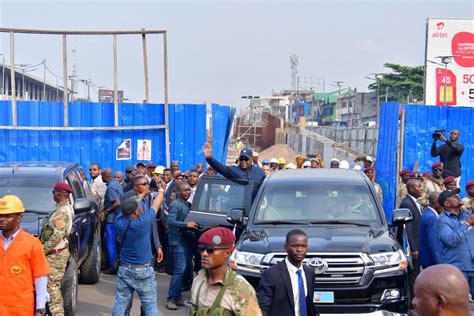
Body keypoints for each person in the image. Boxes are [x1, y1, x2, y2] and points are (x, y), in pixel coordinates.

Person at [112, 186, 165, 315]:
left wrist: (141, 195)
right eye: (138, 208)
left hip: (125, 269)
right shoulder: (143, 222)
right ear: (136, 212)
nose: (140, 209)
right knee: (150, 304)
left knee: (121, 302)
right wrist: (161, 191)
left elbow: (126, 207)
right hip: (143, 270)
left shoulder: (119, 221)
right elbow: (157, 203)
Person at [189, 227, 262, 315]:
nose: (204, 254)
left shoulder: (240, 288)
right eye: (201, 249)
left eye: (210, 250)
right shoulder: (198, 280)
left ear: (229, 252)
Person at [0, 195, 51, 315]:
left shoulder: (32, 244)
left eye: (7, 216)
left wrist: (40, 308)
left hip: (21, 309)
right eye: (0, 215)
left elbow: (40, 278)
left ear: (19, 217)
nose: (2, 219)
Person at [258, 229, 318, 316]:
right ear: (285, 247)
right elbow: (263, 307)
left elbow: (308, 304)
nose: (299, 249)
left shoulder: (309, 273)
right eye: (295, 246)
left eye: (303, 246)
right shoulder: (271, 274)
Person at [39, 183, 74, 315]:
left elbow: (57, 235)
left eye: (54, 192)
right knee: (51, 287)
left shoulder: (62, 211)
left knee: (52, 288)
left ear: (59, 193)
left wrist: (42, 250)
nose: (53, 195)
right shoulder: (64, 208)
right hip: (57, 252)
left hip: (55, 255)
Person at [166, 182, 200, 310]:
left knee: (185, 269)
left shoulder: (187, 204)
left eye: (189, 190)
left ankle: (178, 297)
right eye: (185, 190)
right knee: (180, 269)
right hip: (177, 241)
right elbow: (170, 221)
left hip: (186, 240)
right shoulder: (175, 204)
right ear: (179, 191)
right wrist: (186, 225)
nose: (188, 192)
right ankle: (170, 299)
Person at [437, 188, 474, 298]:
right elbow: (451, 240)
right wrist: (467, 224)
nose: (458, 197)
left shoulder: (467, 214)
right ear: (446, 203)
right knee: (458, 303)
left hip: (472, 265)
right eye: (453, 196)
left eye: (457, 195)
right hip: (457, 269)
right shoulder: (442, 220)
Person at [399, 179, 424, 298]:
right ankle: (412, 303)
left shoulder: (416, 202)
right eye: (419, 186)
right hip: (413, 248)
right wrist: (414, 248)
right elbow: (408, 228)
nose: (422, 188)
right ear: (411, 189)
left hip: (419, 244)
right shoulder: (407, 203)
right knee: (412, 275)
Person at [101, 168, 124, 274]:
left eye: (102, 176)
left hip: (112, 219)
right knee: (116, 242)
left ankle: (112, 266)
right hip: (119, 218)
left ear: (106, 176)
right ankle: (117, 264)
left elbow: (117, 203)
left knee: (110, 243)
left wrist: (106, 211)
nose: (101, 178)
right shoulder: (117, 184)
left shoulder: (110, 187)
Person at [419, 191, 442, 269]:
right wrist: (440, 264)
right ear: (436, 202)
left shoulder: (428, 213)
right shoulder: (432, 217)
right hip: (431, 260)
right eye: (441, 202)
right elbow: (434, 243)